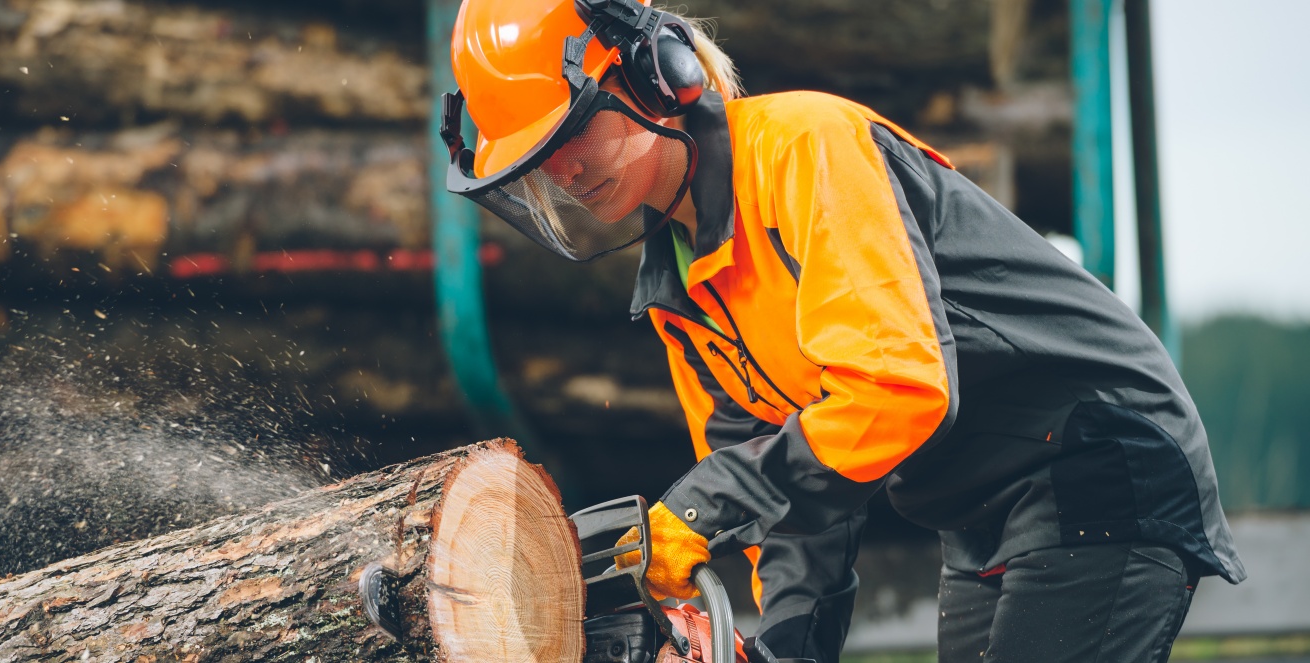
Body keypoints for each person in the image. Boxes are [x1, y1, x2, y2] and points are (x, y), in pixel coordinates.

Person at [439, 1, 1246, 661]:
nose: (566, 172)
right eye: (539, 160)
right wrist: (781, 646)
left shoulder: (807, 151)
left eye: (570, 129)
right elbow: (794, 495)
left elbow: (901, 390)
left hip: (1097, 455)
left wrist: (703, 504)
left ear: (656, 69)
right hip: (980, 509)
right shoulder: (682, 297)